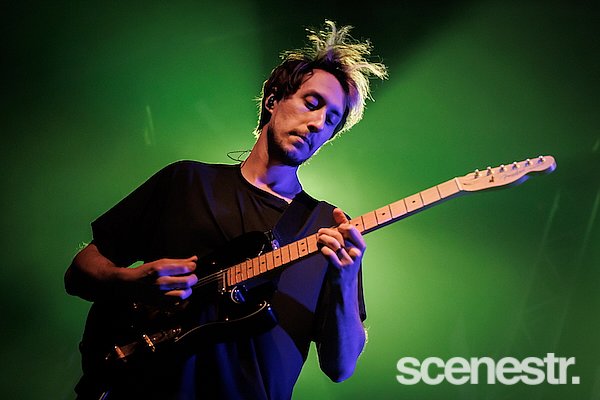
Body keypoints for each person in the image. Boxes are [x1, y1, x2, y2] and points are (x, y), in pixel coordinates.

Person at [65, 20, 387, 400]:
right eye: (311, 103)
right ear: (273, 100)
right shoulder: (187, 181)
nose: (318, 122)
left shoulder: (327, 229)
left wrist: (345, 279)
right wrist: (131, 282)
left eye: (331, 120)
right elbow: (79, 272)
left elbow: (340, 367)